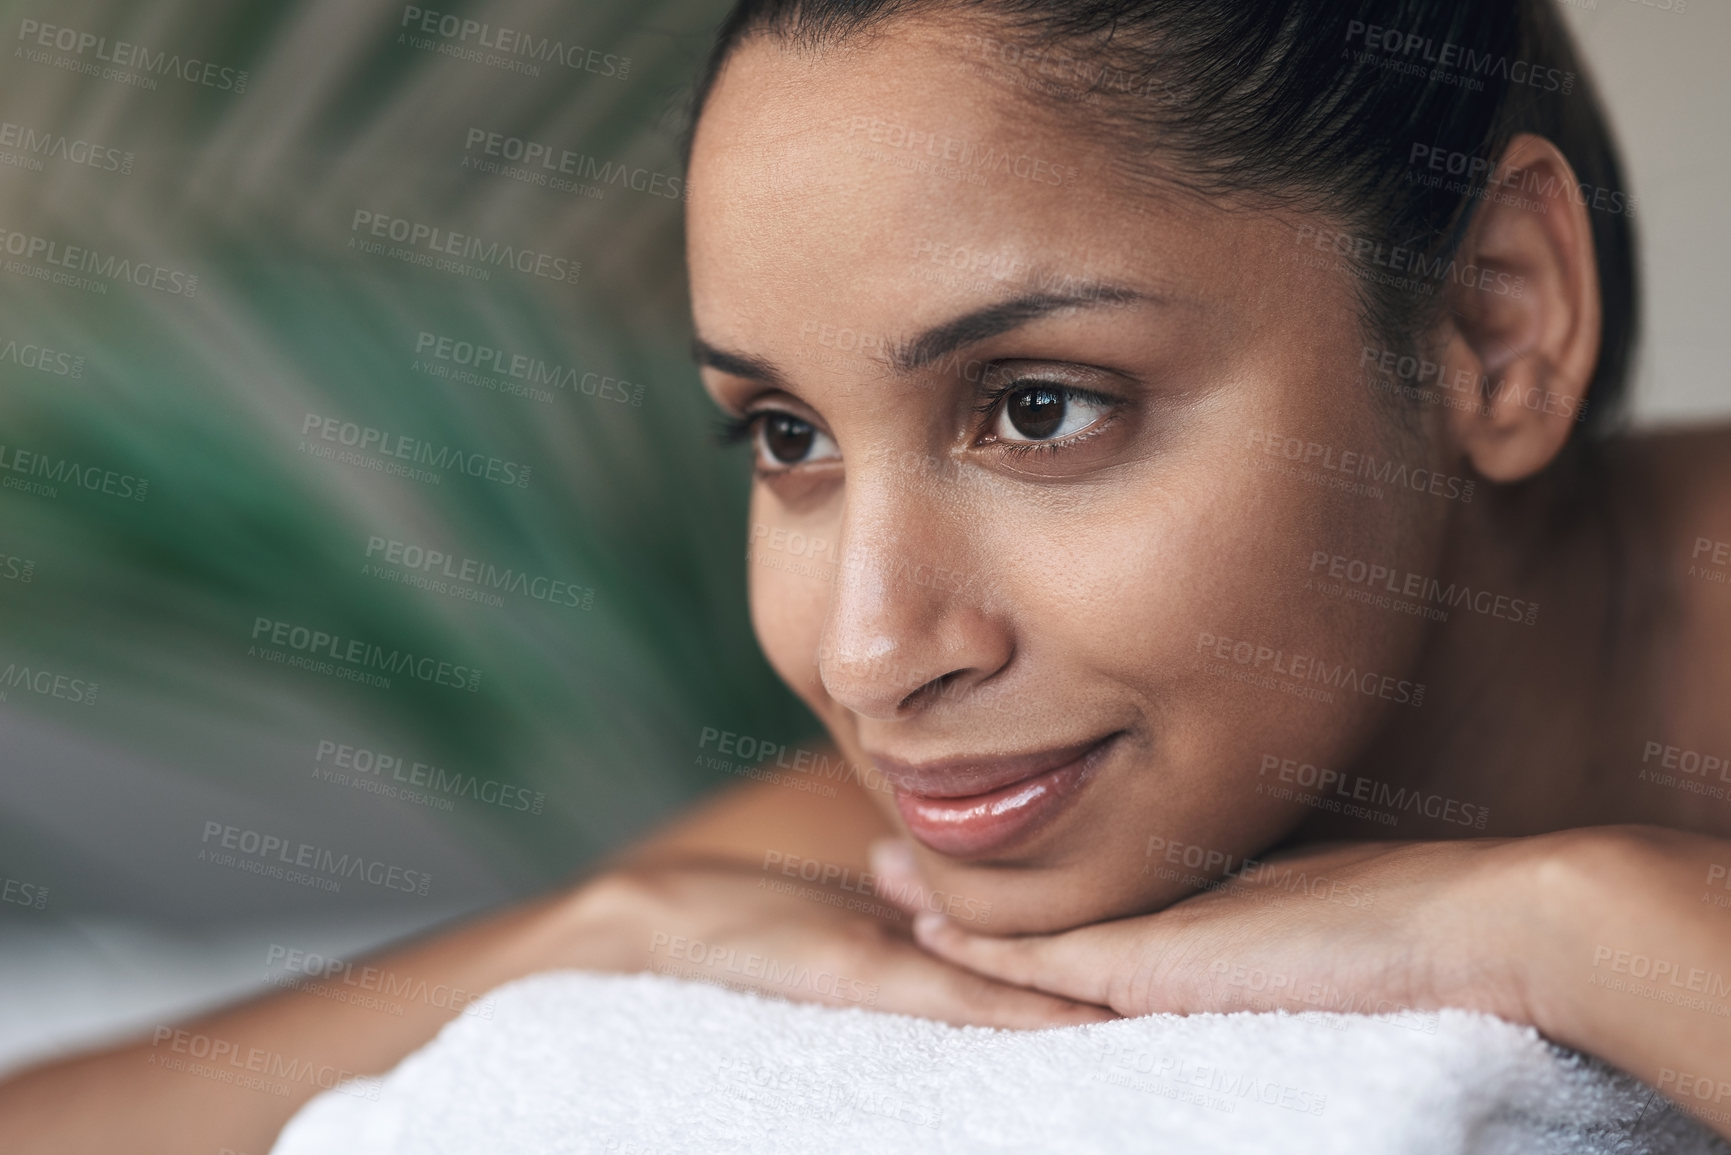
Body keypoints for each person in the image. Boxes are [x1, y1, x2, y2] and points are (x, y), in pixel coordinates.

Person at [6, 0, 1731, 1150]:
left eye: (1041, 408)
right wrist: (599, 931)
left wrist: (1562, 923)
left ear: (1493, 322)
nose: (871, 649)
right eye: (786, 438)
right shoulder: (936, 832)